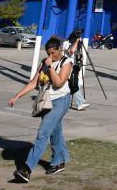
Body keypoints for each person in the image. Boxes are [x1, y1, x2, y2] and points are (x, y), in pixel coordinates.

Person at [8, 36, 74, 181]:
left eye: (53, 53)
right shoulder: (44, 62)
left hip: (61, 101)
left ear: (59, 49)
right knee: (55, 132)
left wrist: (50, 67)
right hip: (45, 102)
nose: (50, 56)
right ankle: (58, 162)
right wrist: (17, 96)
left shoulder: (66, 62)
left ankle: (26, 169)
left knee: (43, 134)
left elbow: (58, 83)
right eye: (48, 53)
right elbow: (33, 83)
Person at [66, 29, 88, 111]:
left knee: (72, 86)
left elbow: (76, 54)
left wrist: (80, 58)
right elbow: (71, 51)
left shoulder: (75, 45)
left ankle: (67, 104)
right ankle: (81, 103)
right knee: (74, 86)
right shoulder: (67, 44)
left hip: (75, 67)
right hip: (68, 67)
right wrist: (76, 42)